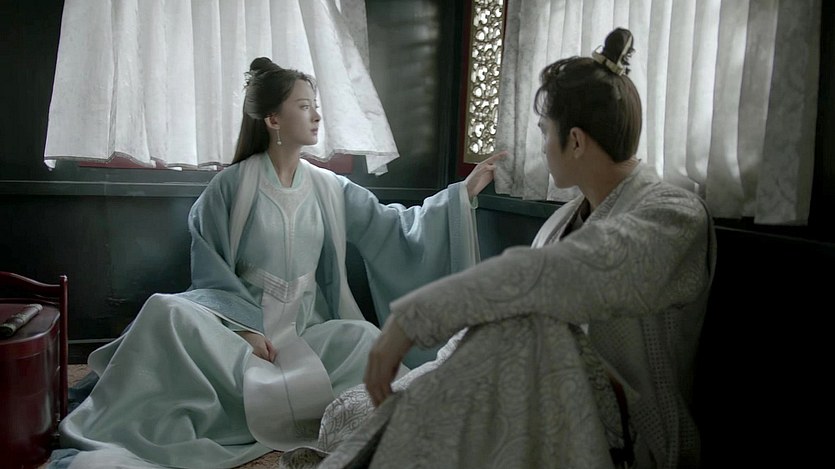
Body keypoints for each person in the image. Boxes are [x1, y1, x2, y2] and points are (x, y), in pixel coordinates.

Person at [280, 28, 716, 469]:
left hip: (630, 438)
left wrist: (414, 320)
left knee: (530, 334)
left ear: (576, 141)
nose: (542, 147)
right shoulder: (564, 221)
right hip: (539, 402)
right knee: (353, 413)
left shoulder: (675, 217)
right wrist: (426, 378)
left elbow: (560, 275)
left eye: (545, 132)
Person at [49, 57, 503, 469]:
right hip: (238, 330)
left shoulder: (330, 188)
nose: (316, 115)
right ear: (272, 119)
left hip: (305, 330)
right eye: (304, 106)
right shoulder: (230, 186)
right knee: (164, 312)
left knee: (364, 339)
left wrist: (460, 195)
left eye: (316, 106)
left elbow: (393, 227)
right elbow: (210, 267)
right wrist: (244, 329)